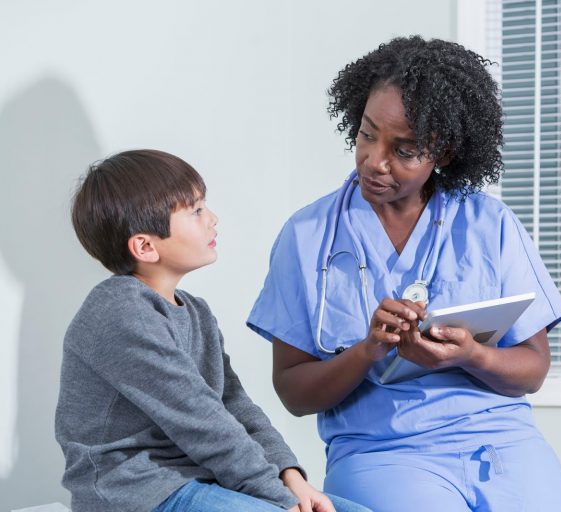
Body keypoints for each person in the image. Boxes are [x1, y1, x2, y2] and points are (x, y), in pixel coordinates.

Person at [247, 36, 561, 511]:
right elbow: (294, 393)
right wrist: (367, 351)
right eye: (367, 134)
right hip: (382, 451)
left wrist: (470, 356)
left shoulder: (490, 224)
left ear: (444, 153)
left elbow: (533, 369)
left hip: (500, 442)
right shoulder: (307, 235)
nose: (374, 161)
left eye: (405, 150)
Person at [55, 150, 371, 512]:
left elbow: (233, 405)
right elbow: (200, 421)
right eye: (195, 211)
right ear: (145, 246)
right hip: (136, 491)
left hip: (200, 476)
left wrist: (289, 476)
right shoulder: (120, 312)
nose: (212, 219)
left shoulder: (196, 312)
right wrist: (278, 498)